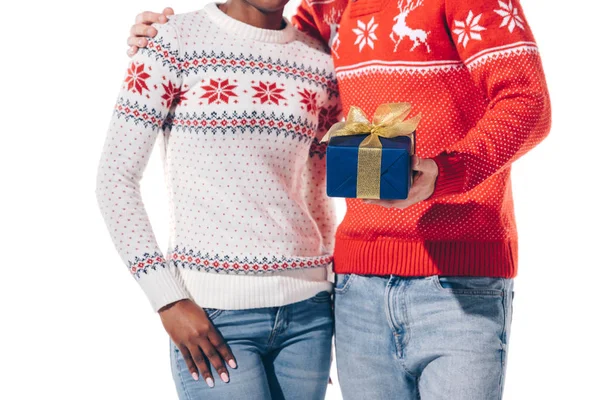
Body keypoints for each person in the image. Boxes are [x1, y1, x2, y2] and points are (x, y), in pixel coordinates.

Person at [128, 0, 551, 398]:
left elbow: (528, 103)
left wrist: (446, 170)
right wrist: (167, 38)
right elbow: (263, 43)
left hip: (459, 282)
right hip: (355, 290)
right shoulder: (327, 9)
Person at [96, 1, 342, 398]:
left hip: (309, 316)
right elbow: (115, 180)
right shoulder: (172, 41)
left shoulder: (317, 60)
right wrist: (168, 300)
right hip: (212, 316)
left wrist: (325, 291)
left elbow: (316, 187)